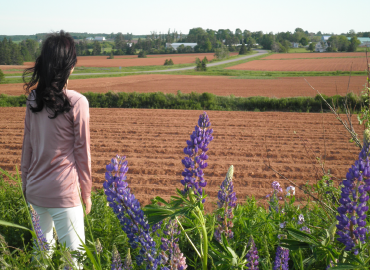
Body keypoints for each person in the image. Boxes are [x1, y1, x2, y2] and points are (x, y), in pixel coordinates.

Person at [21, 31, 92, 266]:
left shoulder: (33, 99)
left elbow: (28, 145)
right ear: (68, 66)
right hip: (63, 193)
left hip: (35, 191)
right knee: (75, 262)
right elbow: (82, 152)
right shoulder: (77, 102)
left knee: (42, 257)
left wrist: (25, 182)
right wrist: (87, 193)